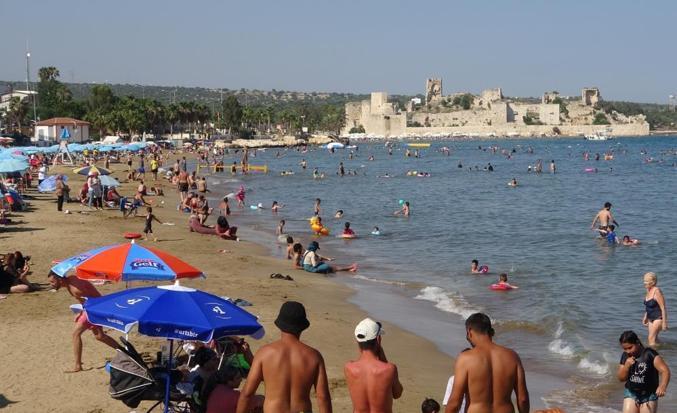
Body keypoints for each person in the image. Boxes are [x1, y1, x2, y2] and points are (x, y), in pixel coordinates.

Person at [236, 301, 332, 413]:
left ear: (279, 325)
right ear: (302, 327)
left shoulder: (264, 353)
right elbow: (323, 398)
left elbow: (247, 394)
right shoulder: (314, 356)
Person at [445, 313, 529, 413]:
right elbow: (523, 399)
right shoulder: (512, 356)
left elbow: (454, 402)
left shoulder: (465, 359)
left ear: (469, 331)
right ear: (489, 332)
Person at [47, 272, 119, 372]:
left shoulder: (76, 289)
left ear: (60, 280)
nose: (51, 284)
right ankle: (125, 351)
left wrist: (84, 313)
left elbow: (89, 300)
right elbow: (86, 299)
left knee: (76, 334)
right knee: (100, 336)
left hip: (94, 309)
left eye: (52, 282)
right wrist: (81, 312)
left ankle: (78, 365)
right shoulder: (71, 280)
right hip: (93, 308)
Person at [344, 318, 403, 413]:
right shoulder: (389, 369)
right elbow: (397, 394)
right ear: (378, 339)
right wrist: (384, 359)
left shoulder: (349, 368)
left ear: (357, 341)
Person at [617, 330, 670, 413]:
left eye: (630, 347)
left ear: (637, 342)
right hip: (631, 393)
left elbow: (665, 371)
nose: (628, 351)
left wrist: (663, 386)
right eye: (625, 349)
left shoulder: (649, 354)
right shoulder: (625, 356)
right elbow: (621, 379)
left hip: (649, 395)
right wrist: (626, 366)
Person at [643, 272, 668, 347]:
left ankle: (652, 356)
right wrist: (645, 317)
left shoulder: (657, 291)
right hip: (650, 318)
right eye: (644, 281)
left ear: (653, 282)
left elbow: (663, 307)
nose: (644, 283)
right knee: (654, 339)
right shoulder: (648, 290)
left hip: (658, 318)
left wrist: (664, 323)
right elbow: (648, 306)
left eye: (646, 281)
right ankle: (662, 350)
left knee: (650, 339)